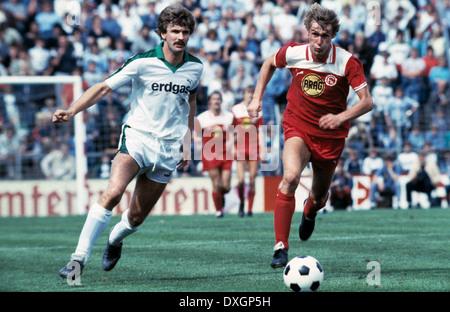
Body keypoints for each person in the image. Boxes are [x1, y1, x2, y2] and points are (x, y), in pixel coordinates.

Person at [55, 5, 203, 278]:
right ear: (162, 33)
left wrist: (188, 141)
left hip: (169, 147)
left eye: (185, 32)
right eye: (174, 31)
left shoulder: (195, 67)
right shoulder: (142, 62)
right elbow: (103, 87)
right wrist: (72, 110)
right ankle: (77, 260)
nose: (180, 36)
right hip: (138, 138)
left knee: (136, 218)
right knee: (113, 193)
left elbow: (190, 101)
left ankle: (114, 240)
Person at [247, 3, 373, 268]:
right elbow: (269, 63)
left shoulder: (346, 61)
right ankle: (280, 246)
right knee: (290, 177)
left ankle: (310, 212)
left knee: (318, 198)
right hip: (298, 127)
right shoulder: (294, 52)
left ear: (333, 36)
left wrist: (340, 117)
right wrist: (257, 98)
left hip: (330, 137)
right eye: (315, 34)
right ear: (307, 31)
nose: (319, 41)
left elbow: (366, 102)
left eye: (325, 36)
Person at [194, 91, 234, 218]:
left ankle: (220, 197)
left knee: (226, 186)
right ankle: (219, 210)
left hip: (225, 152)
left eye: (218, 99)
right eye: (214, 99)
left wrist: (230, 142)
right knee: (216, 183)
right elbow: (195, 134)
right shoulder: (202, 118)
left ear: (221, 101)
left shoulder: (228, 116)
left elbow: (233, 133)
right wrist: (199, 141)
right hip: (210, 153)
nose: (216, 101)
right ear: (209, 101)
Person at [231, 86, 264, 217]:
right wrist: (231, 147)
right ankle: (241, 203)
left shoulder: (258, 111)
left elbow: (260, 131)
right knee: (240, 180)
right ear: (244, 94)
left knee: (252, 179)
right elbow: (230, 131)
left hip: (253, 147)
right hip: (239, 148)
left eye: (252, 93)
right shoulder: (236, 110)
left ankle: (249, 209)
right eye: (248, 92)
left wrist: (262, 151)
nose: (250, 95)